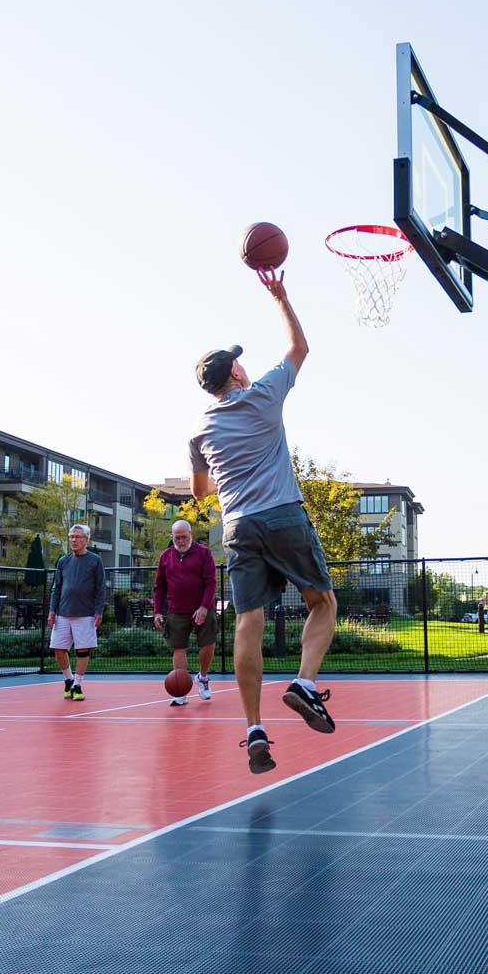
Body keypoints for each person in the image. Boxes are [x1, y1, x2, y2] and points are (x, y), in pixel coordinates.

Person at [189, 267, 336, 774]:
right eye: (239, 366)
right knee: (323, 602)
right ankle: (304, 684)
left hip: (238, 528)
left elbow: (199, 492)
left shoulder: (200, 433)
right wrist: (281, 297)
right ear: (234, 375)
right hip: (281, 514)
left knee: (249, 622)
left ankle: (254, 728)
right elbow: (300, 348)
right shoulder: (264, 394)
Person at [153, 518, 217, 706]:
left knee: (208, 644)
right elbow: (159, 588)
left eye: (183, 537)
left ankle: (203, 677)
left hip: (203, 608)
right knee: (179, 648)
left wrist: (204, 607)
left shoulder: (204, 553)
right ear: (172, 536)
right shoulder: (166, 556)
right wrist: (157, 611)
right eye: (177, 537)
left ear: (190, 535)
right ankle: (180, 691)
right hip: (176, 611)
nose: (180, 541)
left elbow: (211, 582)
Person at [47, 523, 106, 701]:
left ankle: (78, 685)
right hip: (62, 613)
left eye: (77, 537)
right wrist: (52, 611)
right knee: (58, 649)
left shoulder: (95, 560)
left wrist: (98, 610)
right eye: (71, 536)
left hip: (86, 614)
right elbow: (56, 588)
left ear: (86, 540)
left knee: (82, 650)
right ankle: (68, 680)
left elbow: (100, 588)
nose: (73, 540)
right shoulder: (63, 561)